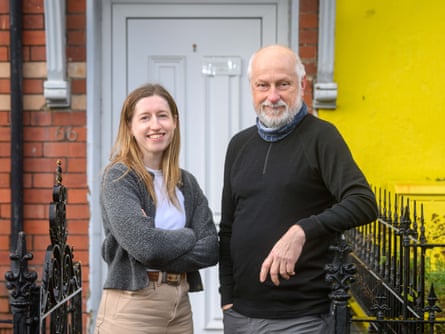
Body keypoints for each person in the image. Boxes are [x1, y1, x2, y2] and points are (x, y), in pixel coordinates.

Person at [218, 44, 378, 334]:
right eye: (263, 85)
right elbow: (228, 228)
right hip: (240, 317)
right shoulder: (239, 145)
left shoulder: (322, 138)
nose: (273, 96)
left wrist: (302, 230)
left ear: (302, 84)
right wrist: (227, 298)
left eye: (283, 84)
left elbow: (363, 202)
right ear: (252, 87)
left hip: (302, 319)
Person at [94, 83, 219, 334]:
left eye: (162, 116)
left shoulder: (186, 182)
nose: (155, 125)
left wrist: (160, 242)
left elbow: (211, 248)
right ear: (130, 127)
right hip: (133, 306)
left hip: (180, 306)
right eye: (145, 118)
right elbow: (146, 246)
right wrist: (189, 235)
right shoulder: (119, 177)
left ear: (174, 122)